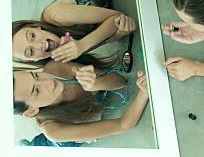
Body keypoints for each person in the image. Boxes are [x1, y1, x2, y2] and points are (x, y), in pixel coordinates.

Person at [13, 58, 149, 142]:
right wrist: (143, 93)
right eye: (36, 90)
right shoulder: (54, 130)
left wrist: (96, 84)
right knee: (45, 143)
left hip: (81, 108)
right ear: (31, 111)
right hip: (65, 136)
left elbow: (119, 80)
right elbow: (123, 125)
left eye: (36, 75)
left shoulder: (55, 69)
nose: (47, 82)